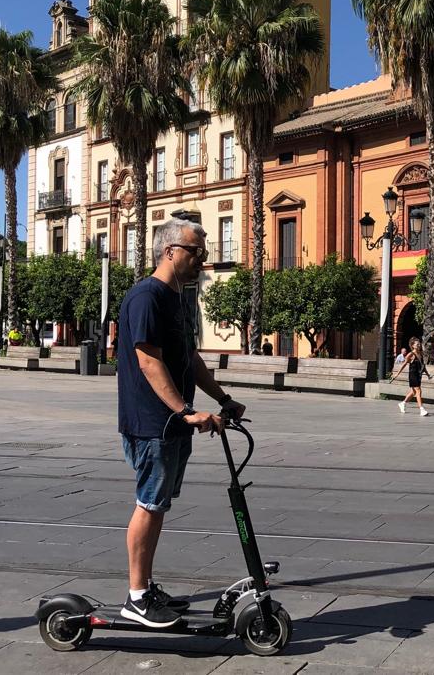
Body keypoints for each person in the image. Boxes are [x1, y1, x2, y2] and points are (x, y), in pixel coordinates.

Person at [116, 218, 246, 629]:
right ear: (170, 251)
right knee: (149, 504)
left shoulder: (176, 299)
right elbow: (147, 359)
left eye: (204, 253)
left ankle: (146, 586)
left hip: (172, 424)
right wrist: (184, 411)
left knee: (158, 506)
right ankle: (136, 597)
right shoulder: (146, 296)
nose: (202, 260)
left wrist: (223, 399)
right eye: (196, 252)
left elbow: (190, 359)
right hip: (153, 423)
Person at [390, 336, 431, 416]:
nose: (419, 345)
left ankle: (403, 403)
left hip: (418, 375)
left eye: (419, 344)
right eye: (417, 344)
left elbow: (423, 366)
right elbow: (404, 365)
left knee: (413, 392)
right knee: (418, 391)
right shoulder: (410, 354)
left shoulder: (420, 354)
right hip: (413, 375)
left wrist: (428, 374)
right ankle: (421, 409)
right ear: (412, 345)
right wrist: (397, 374)